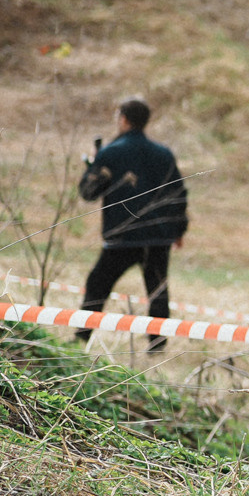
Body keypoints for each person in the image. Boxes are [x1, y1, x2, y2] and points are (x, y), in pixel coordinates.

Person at [75, 97, 189, 353]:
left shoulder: (111, 152)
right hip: (158, 237)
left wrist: (94, 165)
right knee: (157, 289)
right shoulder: (163, 153)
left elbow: (88, 192)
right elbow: (178, 194)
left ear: (124, 119)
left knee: (97, 284)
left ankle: (82, 336)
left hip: (123, 236)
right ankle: (157, 345)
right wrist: (178, 230)